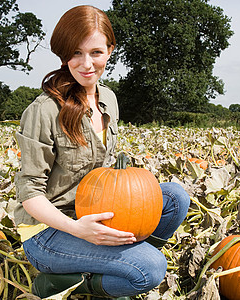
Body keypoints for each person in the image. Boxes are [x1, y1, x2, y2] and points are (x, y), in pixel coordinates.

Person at [14, 5, 190, 299]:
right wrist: (78, 229)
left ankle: (117, 266)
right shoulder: (43, 110)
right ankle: (65, 282)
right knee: (152, 268)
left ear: (110, 50)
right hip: (49, 232)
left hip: (95, 214)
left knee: (175, 197)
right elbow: (29, 192)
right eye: (76, 53)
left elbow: (105, 172)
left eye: (96, 52)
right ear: (63, 54)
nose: (86, 64)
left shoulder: (108, 98)